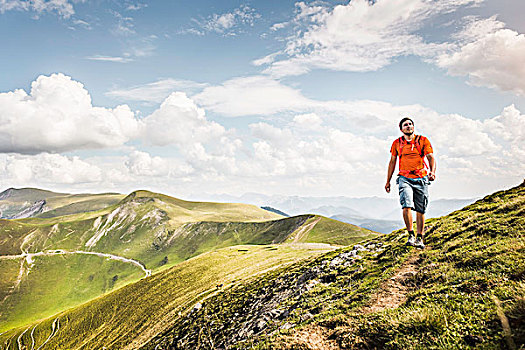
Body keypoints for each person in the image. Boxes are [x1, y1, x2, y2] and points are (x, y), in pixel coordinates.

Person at [385, 117, 436, 249]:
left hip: (421, 177)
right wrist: (388, 181)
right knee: (406, 205)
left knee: (420, 209)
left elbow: (431, 157)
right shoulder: (397, 143)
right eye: (405, 125)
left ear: (413, 127)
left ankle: (420, 238)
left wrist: (432, 171)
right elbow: (392, 162)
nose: (408, 126)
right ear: (401, 129)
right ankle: (411, 234)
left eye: (410, 124)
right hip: (404, 177)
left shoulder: (423, 141)